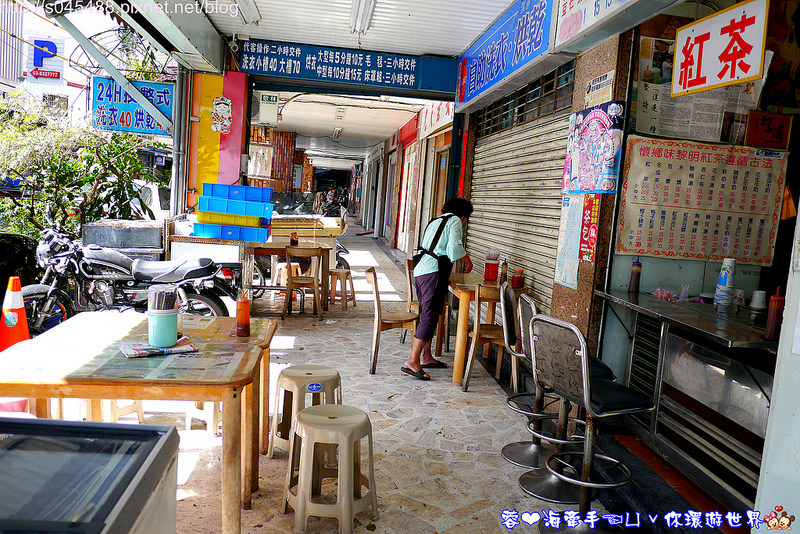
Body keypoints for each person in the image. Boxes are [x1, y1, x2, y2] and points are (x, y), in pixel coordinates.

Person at [402, 197, 473, 380]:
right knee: (429, 314)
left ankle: (426, 357)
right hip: (433, 272)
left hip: (421, 271)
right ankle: (412, 360)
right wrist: (467, 260)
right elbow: (454, 249)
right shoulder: (455, 220)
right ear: (463, 217)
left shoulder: (436, 220)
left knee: (430, 312)